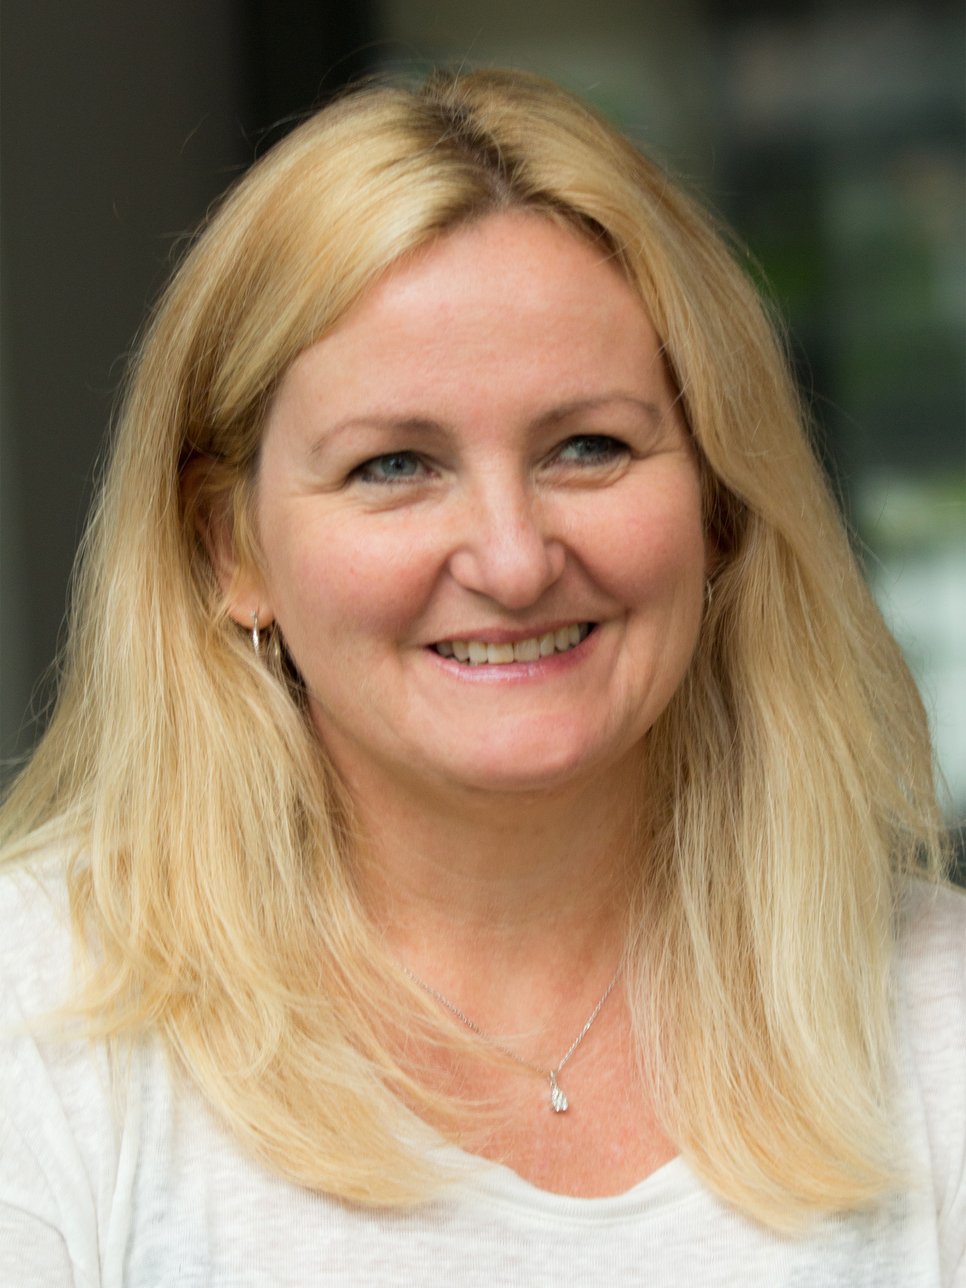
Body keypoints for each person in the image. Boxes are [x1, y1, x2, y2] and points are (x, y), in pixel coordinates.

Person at [0, 67, 962, 1286]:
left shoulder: (940, 1023)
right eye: (395, 464)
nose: (512, 560)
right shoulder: (36, 1026)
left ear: (719, 501)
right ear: (228, 548)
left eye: (588, 447)